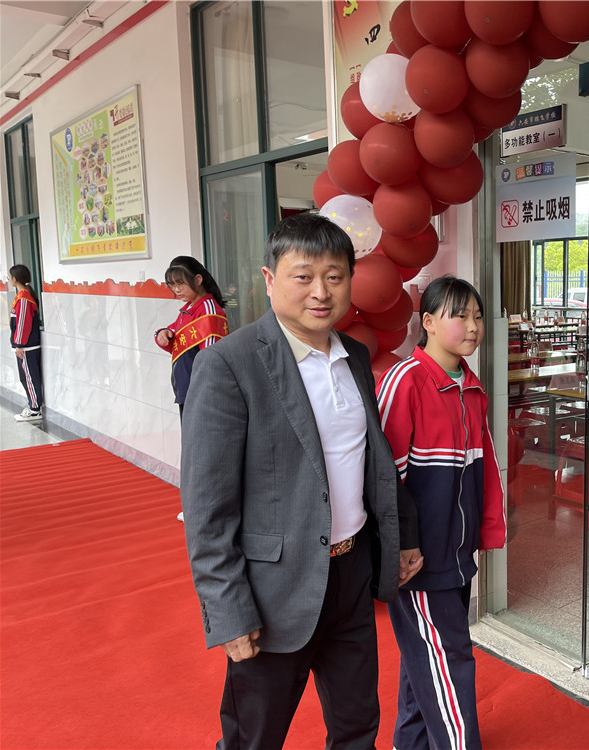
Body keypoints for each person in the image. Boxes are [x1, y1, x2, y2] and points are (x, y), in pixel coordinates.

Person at [180, 212, 424, 750]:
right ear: (270, 280)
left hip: (352, 575)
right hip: (273, 591)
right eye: (304, 276)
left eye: (335, 277)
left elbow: (374, 461)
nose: (321, 292)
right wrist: (228, 609)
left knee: (357, 728)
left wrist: (404, 535)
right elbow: (207, 506)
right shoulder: (229, 365)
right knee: (253, 738)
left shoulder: (354, 357)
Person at [376, 276, 507, 750]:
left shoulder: (470, 386)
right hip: (419, 560)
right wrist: (399, 547)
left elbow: (483, 470)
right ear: (428, 322)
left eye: (478, 316)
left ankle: (410, 743)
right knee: (449, 659)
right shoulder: (405, 382)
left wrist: (486, 533)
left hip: (455, 552)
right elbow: (382, 478)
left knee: (426, 657)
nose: (473, 326)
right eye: (461, 315)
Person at [154, 256, 229, 420]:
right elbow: (174, 334)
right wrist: (162, 333)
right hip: (187, 391)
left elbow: (210, 359)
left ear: (198, 279)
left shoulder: (208, 310)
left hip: (202, 395)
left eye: (180, 283)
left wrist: (205, 394)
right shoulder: (189, 308)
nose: (176, 289)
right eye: (172, 285)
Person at [8, 264, 44, 422]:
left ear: (15, 279)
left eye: (10, 277)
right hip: (26, 345)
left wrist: (19, 345)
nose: (9, 279)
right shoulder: (23, 295)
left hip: (27, 346)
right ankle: (33, 406)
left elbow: (23, 323)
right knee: (27, 377)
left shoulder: (24, 297)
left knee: (29, 378)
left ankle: (35, 410)